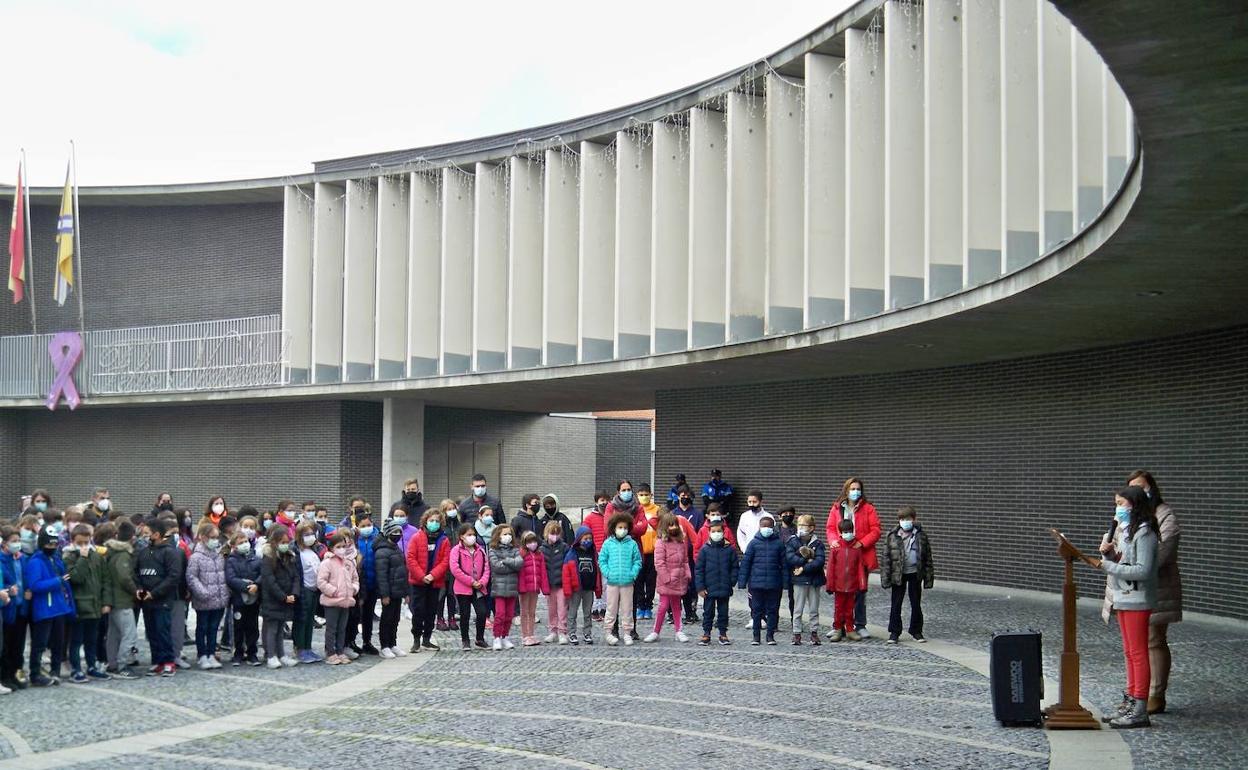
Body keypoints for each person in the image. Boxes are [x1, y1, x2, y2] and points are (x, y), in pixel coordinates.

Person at [1094, 486, 1160, 729]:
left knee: (1138, 653)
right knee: (1130, 652)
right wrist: (1111, 556)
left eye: (1121, 504)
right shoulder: (1126, 531)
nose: (1118, 509)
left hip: (1138, 598)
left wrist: (1108, 566)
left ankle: (1140, 708)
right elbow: (1126, 562)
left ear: (1134, 505)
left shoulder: (1145, 534)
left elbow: (1142, 570)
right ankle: (1131, 699)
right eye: (1116, 504)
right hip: (1123, 596)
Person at [1121, 470, 1180, 715]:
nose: (1137, 491)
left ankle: (1155, 693)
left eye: (1141, 487)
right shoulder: (1127, 516)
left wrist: (1127, 566)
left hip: (1156, 587)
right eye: (1132, 487)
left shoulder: (1164, 515)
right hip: (1128, 590)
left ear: (1151, 489)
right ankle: (1134, 692)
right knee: (1133, 645)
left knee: (1154, 640)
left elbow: (1161, 553)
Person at [825, 477, 881, 638]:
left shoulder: (868, 508)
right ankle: (839, 626)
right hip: (842, 554)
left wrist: (862, 543)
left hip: (861, 555)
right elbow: (830, 528)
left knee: (859, 592)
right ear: (846, 490)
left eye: (858, 489)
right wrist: (833, 541)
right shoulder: (837, 508)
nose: (855, 491)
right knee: (841, 594)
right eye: (852, 488)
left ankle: (859, 624)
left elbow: (876, 530)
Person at [25, 525, 76, 686]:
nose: (52, 547)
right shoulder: (36, 562)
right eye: (49, 545)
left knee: (58, 643)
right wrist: (57, 581)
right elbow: (35, 585)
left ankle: (55, 671)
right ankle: (35, 674)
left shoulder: (55, 559)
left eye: (54, 545)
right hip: (45, 608)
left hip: (59, 607)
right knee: (40, 644)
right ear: (42, 544)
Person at [134, 518, 182, 677]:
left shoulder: (170, 552)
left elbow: (173, 577)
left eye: (147, 533)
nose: (145, 536)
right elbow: (136, 573)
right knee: (152, 631)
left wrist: (154, 593)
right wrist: (140, 589)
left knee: (163, 630)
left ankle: (169, 661)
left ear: (157, 534)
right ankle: (157, 661)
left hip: (162, 599)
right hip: (146, 600)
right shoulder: (143, 552)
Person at [63, 524, 110, 683]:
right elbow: (76, 578)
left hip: (95, 605)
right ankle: (76, 669)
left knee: (92, 638)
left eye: (86, 542)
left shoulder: (97, 556)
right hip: (78, 605)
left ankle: (92, 666)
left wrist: (105, 602)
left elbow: (105, 580)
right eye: (80, 543)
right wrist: (82, 558)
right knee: (76, 640)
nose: (84, 546)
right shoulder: (69, 557)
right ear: (73, 542)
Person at [881, 506, 934, 645]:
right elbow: (886, 558)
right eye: (902, 519)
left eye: (908, 519)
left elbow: (927, 556)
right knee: (896, 603)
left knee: (916, 602)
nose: (905, 521)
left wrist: (928, 578)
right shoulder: (892, 535)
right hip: (898, 573)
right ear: (899, 520)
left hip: (915, 572)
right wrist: (885, 578)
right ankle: (894, 631)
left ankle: (916, 630)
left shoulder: (921, 535)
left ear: (914, 519)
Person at [738, 513, 787, 645]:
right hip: (756, 584)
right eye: (764, 526)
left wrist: (786, 582)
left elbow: (784, 565)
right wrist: (742, 581)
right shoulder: (753, 544)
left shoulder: (778, 544)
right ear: (759, 527)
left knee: (773, 610)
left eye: (769, 526)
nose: (766, 529)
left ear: (773, 528)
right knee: (756, 610)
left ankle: (770, 636)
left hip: (774, 584)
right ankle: (756, 636)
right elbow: (746, 563)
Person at [404, 509, 449, 653]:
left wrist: (433, 575)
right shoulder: (416, 537)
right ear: (425, 521)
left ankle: (427, 639)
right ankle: (416, 638)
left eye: (437, 521)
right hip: (418, 582)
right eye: (431, 521)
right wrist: (422, 575)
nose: (434, 523)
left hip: (434, 582)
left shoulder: (444, 540)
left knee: (431, 611)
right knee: (418, 611)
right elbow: (410, 558)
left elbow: (445, 561)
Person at [101, 521, 140, 677]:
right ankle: (122, 665)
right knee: (129, 634)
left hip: (113, 600)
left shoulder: (111, 552)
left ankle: (113, 664)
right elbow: (124, 578)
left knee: (114, 634)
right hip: (122, 600)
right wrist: (135, 591)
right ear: (132, 537)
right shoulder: (123, 555)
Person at [646, 514, 692, 643]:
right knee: (663, 606)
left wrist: (687, 573)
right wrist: (667, 578)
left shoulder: (681, 541)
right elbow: (659, 563)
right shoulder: (661, 542)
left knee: (677, 605)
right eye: (671, 525)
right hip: (667, 580)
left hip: (679, 579)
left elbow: (685, 560)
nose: (674, 527)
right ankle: (656, 631)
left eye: (675, 524)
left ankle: (679, 630)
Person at [258, 527, 300, 669]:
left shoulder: (289, 556)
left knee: (280, 627)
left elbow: (295, 577)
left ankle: (281, 654)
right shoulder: (268, 558)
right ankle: (271, 655)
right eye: (282, 542)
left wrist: (293, 594)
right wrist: (283, 597)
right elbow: (269, 581)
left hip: (287, 598)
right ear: (274, 542)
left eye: (287, 542)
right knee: (272, 629)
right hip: (273, 599)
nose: (285, 545)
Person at [599, 512, 642, 647]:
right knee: (611, 608)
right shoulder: (607, 543)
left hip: (627, 582)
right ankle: (608, 632)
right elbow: (602, 560)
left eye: (625, 527)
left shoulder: (632, 544)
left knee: (627, 609)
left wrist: (633, 574)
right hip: (612, 582)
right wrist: (607, 573)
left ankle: (627, 633)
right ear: (614, 528)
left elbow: (637, 561)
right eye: (619, 527)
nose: (622, 530)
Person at [318, 532, 359, 665]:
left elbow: (355, 578)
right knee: (332, 628)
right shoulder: (327, 563)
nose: (342, 549)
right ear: (331, 548)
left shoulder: (348, 563)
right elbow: (321, 582)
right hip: (332, 602)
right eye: (339, 546)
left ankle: (340, 651)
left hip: (346, 601)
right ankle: (330, 652)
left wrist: (353, 589)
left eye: (344, 546)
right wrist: (334, 591)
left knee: (342, 628)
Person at [695, 520, 739, 646]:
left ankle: (723, 633)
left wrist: (731, 581)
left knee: (723, 612)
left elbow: (735, 567)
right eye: (713, 531)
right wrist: (700, 587)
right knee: (708, 612)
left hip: (724, 586)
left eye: (719, 531)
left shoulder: (729, 549)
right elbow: (699, 569)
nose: (716, 533)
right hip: (709, 588)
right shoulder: (704, 549)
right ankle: (706, 633)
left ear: (723, 531)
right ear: (709, 532)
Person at [449, 524, 491, 651]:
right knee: (465, 614)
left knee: (482, 612)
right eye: (469, 535)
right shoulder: (456, 550)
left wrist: (482, 582)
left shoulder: (480, 550)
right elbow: (455, 569)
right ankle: (465, 640)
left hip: (479, 588)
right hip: (463, 588)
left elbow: (486, 568)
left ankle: (480, 638)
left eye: (473, 534)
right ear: (462, 536)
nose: (472, 537)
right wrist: (471, 581)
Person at [785, 514, 825, 646]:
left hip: (814, 579)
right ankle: (796, 633)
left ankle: (814, 632)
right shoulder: (792, 541)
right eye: (799, 525)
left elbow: (819, 561)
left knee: (814, 608)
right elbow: (790, 558)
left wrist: (803, 568)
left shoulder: (818, 543)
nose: (801, 528)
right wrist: (806, 560)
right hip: (799, 581)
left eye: (804, 525)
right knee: (798, 608)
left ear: (812, 528)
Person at [224, 531, 263, 666]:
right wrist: (246, 587)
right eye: (240, 543)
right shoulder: (231, 560)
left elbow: (262, 573)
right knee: (238, 627)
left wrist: (257, 584)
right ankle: (238, 653)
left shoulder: (256, 558)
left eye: (245, 541)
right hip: (239, 599)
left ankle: (252, 653)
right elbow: (231, 578)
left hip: (254, 599)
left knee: (253, 626)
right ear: (234, 546)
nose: (244, 545)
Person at [826, 518, 867, 642]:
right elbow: (831, 567)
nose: (847, 533)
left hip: (852, 585)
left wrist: (862, 584)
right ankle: (838, 629)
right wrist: (830, 584)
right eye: (845, 531)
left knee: (850, 609)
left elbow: (860, 567)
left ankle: (850, 629)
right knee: (839, 609)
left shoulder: (856, 548)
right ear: (841, 532)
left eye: (849, 531)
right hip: (839, 585)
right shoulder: (836, 548)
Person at [374, 519, 410, 659]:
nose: (397, 535)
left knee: (395, 619)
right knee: (387, 619)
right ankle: (384, 646)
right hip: (388, 592)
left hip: (398, 591)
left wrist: (406, 592)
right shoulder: (382, 552)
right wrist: (384, 594)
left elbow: (403, 571)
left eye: (399, 532)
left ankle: (393, 643)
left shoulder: (397, 549)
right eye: (394, 532)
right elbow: (381, 575)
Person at [1, 527, 30, 690]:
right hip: (7, 608)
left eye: (18, 541)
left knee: (18, 646)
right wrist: (8, 589)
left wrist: (28, 590)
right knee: (6, 645)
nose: (17, 544)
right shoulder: (2, 560)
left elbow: (24, 578)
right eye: (13, 541)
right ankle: (5, 676)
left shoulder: (21, 559)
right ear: (4, 543)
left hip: (21, 607)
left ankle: (14, 674)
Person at [562, 526, 601, 645]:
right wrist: (567, 590)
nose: (588, 540)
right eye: (585, 538)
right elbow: (566, 573)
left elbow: (597, 571)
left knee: (587, 612)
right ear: (579, 539)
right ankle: (571, 632)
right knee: (572, 611)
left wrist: (598, 588)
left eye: (590, 538)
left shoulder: (593, 553)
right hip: (576, 588)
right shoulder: (572, 553)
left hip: (589, 588)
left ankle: (587, 632)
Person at [293, 522, 324, 664]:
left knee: (310, 620)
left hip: (313, 589)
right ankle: (300, 648)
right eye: (306, 535)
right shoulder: (297, 553)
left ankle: (308, 647)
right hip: (303, 589)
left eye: (312, 534)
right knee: (302, 620)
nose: (310, 537)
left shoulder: (313, 551)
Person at [349, 512, 380, 655]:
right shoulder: (353, 541)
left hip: (372, 582)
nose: (367, 528)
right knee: (355, 615)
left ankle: (367, 641)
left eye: (369, 525)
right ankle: (352, 640)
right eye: (363, 526)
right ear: (357, 526)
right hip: (358, 584)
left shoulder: (377, 539)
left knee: (368, 615)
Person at [632, 484, 662, 621]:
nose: (644, 497)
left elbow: (661, 528)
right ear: (637, 496)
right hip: (638, 551)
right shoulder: (635, 510)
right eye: (641, 494)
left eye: (646, 494)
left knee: (651, 582)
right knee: (638, 581)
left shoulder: (658, 510)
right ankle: (639, 606)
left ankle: (648, 606)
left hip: (653, 551)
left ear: (651, 495)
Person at [514, 530, 548, 647]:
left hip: (534, 587)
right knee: (524, 612)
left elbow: (543, 572)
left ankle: (531, 634)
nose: (532, 543)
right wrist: (521, 587)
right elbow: (521, 574)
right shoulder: (522, 554)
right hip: (525, 588)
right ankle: (525, 636)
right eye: (529, 541)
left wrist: (544, 587)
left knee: (532, 612)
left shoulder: (539, 555)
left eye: (534, 541)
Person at [539, 521, 570, 644]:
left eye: (557, 533)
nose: (555, 536)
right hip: (549, 585)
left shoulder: (564, 547)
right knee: (551, 609)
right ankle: (553, 631)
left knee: (562, 608)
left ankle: (562, 631)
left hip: (561, 583)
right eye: (552, 533)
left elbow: (568, 565)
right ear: (547, 533)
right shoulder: (542, 549)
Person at [434, 499, 463, 632]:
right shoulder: (440, 527)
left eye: (453, 508)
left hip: (456, 564)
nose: (451, 511)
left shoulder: (459, 525)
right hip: (443, 564)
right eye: (448, 509)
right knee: (442, 593)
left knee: (452, 593)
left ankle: (451, 617)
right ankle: (439, 618)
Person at [584, 491, 610, 621]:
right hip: (594, 553)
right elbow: (584, 534)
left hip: (609, 554)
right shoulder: (589, 518)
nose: (604, 502)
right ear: (596, 502)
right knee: (595, 583)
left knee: (606, 583)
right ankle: (594, 608)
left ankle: (604, 608)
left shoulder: (611, 516)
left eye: (606, 500)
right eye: (601, 500)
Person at [735, 489, 767, 555]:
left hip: (764, 553)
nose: (752, 504)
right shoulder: (744, 516)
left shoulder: (768, 517)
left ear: (761, 502)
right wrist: (744, 549)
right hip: (748, 552)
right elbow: (740, 534)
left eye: (754, 502)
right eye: (749, 502)